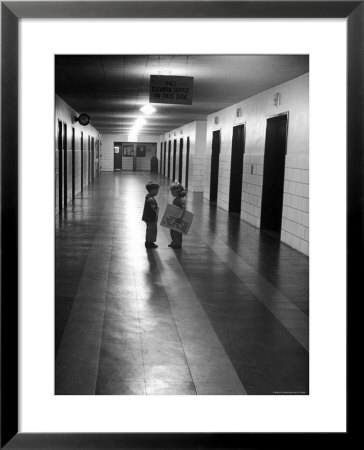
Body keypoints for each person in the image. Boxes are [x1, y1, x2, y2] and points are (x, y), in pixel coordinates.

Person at [168, 180, 186, 249]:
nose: (171, 193)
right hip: (174, 218)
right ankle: (174, 241)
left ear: (177, 191)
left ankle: (178, 243)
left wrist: (180, 217)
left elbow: (183, 210)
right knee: (172, 231)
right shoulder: (175, 199)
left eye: (172, 191)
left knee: (177, 231)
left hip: (178, 218)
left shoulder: (181, 200)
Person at [142, 181, 159, 249]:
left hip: (148, 218)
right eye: (156, 190)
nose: (157, 192)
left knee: (149, 230)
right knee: (151, 230)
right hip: (151, 218)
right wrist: (156, 214)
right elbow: (153, 209)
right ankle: (149, 243)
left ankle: (149, 242)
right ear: (152, 190)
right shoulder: (151, 199)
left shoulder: (148, 196)